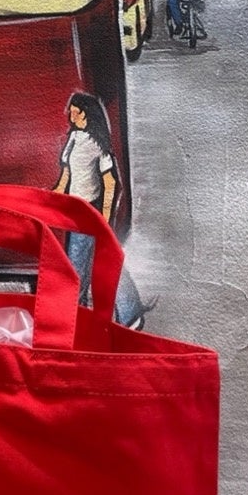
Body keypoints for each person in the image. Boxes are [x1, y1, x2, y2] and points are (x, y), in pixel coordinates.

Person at [53, 92, 151, 329]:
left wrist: (105, 219)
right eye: (70, 111)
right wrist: (52, 196)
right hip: (75, 212)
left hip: (90, 212)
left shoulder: (98, 144)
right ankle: (130, 313)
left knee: (77, 268)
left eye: (75, 112)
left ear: (85, 114)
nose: (71, 116)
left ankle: (77, 321)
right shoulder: (73, 138)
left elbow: (111, 183)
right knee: (103, 262)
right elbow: (66, 175)